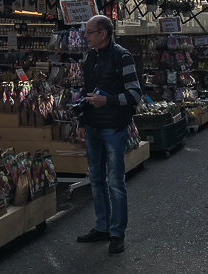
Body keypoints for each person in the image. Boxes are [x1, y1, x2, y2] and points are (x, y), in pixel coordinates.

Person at [75, 15, 141, 254]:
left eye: (90, 32)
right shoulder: (91, 56)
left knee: (115, 182)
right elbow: (86, 91)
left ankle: (116, 233)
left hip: (113, 127)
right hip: (93, 127)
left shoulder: (121, 56)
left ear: (103, 33)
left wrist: (107, 101)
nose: (86, 36)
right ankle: (102, 227)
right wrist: (82, 120)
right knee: (97, 180)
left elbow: (135, 94)